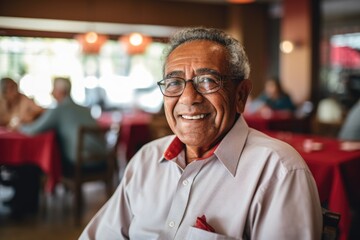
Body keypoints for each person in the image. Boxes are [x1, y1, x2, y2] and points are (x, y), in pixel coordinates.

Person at [79, 27, 322, 239]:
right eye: (174, 82)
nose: (188, 98)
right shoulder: (147, 158)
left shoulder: (278, 171)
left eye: (207, 80)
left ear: (241, 95)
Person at [18, 77, 107, 174]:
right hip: (102, 161)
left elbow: (33, 131)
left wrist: (19, 126)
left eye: (53, 89)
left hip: (79, 166)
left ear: (61, 91)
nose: (51, 92)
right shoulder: (84, 109)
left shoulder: (58, 110)